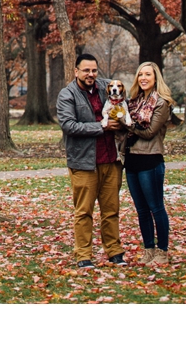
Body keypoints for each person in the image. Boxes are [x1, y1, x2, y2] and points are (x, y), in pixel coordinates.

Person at [54, 50, 129, 267]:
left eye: (94, 70)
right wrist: (102, 126)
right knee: (84, 211)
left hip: (111, 160)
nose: (91, 74)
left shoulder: (107, 87)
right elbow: (69, 125)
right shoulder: (67, 95)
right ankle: (84, 256)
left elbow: (125, 102)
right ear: (76, 71)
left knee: (111, 209)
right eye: (86, 70)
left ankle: (115, 252)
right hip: (84, 162)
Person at [122, 59, 175, 263]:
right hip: (132, 160)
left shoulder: (161, 103)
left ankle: (162, 251)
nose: (143, 78)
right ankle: (149, 250)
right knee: (142, 210)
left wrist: (127, 125)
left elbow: (150, 131)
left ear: (155, 78)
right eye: (140, 75)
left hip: (150, 160)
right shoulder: (134, 102)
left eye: (148, 75)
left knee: (156, 207)